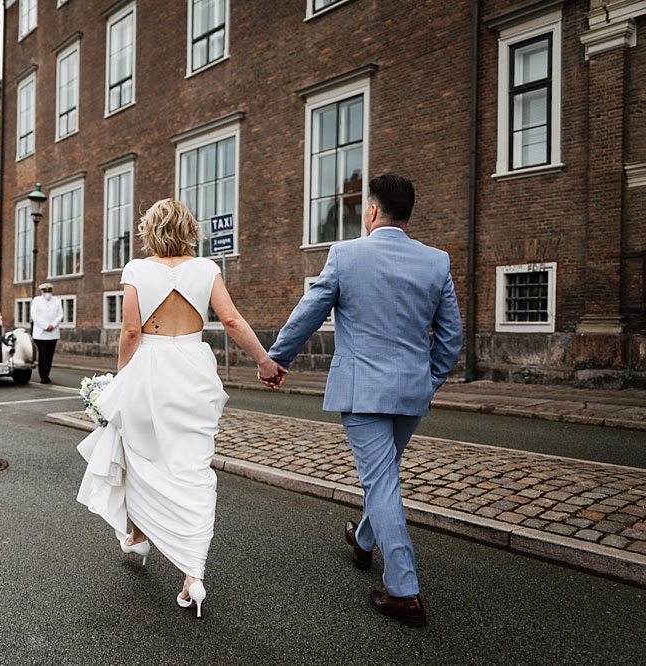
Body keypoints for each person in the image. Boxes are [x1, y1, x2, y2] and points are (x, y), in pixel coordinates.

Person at [265, 174, 462, 627]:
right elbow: (450, 341)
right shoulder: (436, 262)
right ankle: (364, 541)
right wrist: (427, 380)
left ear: (371, 211)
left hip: (362, 392)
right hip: (411, 391)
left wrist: (276, 359)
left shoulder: (346, 255)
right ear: (406, 213)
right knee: (385, 475)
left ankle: (404, 590)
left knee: (381, 484)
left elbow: (308, 313)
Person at [76, 199, 284, 618]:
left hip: (149, 370)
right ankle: (193, 575)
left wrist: (120, 381)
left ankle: (138, 535)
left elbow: (131, 330)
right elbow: (232, 322)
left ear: (148, 230)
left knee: (139, 455)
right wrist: (264, 360)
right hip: (193, 370)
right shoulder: (206, 269)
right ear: (189, 228)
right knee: (192, 467)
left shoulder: (136, 270)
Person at [30, 283, 63, 384]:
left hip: (53, 333)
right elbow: (34, 316)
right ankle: (43, 375)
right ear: (41, 292)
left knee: (49, 355)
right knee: (42, 354)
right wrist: (46, 326)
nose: (47, 294)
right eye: (45, 292)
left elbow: (60, 314)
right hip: (40, 333)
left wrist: (52, 325)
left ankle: (47, 374)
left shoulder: (57, 301)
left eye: (49, 292)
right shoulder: (36, 301)